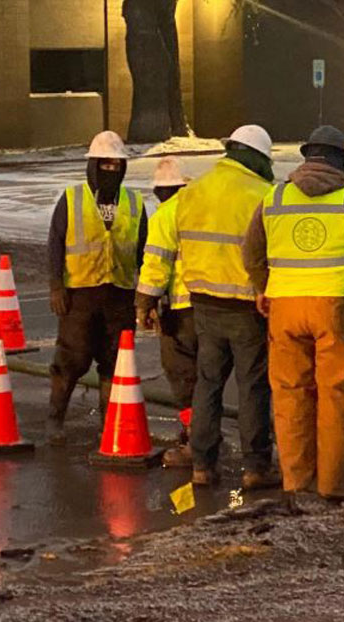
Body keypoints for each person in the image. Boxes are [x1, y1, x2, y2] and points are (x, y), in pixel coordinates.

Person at [243, 126, 344, 501]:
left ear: (306, 159)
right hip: (339, 309)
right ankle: (335, 485)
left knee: (290, 394)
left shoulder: (274, 199)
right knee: (340, 395)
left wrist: (264, 287)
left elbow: (251, 254)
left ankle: (296, 482)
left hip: (285, 309)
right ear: (342, 163)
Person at [172, 125, 277, 488]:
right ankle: (256, 468)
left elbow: (177, 243)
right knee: (252, 387)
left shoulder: (193, 190)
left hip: (202, 302)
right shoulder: (262, 194)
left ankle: (202, 464)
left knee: (208, 384)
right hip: (246, 305)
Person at [46, 131, 147, 445]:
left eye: (117, 165)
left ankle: (110, 424)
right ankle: (55, 420)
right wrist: (56, 286)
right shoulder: (72, 198)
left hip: (120, 295)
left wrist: (147, 296)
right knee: (71, 360)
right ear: (92, 166)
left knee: (114, 361)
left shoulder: (133, 201)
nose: (111, 170)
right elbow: (55, 243)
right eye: (105, 164)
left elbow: (144, 251)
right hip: (81, 295)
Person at [135, 157, 197, 466]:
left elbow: (156, 266)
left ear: (161, 191)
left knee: (183, 377)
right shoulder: (207, 209)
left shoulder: (166, 215)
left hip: (182, 311)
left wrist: (144, 304)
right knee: (210, 379)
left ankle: (192, 440)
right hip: (218, 305)